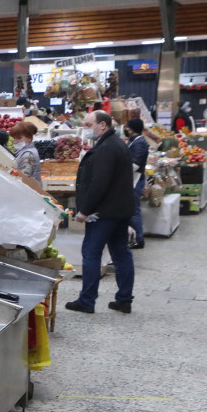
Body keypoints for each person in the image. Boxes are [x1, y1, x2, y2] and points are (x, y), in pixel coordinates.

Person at [65, 110, 136, 315]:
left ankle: (87, 300)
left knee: (91, 253)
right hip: (119, 210)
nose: (86, 130)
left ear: (102, 125)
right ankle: (124, 300)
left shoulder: (106, 147)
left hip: (104, 212)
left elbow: (99, 182)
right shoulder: (116, 144)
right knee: (121, 253)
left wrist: (85, 210)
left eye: (88, 125)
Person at [125, 118, 149, 249]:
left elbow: (135, 164)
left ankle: (138, 239)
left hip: (135, 179)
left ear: (132, 129)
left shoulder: (139, 143)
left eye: (128, 127)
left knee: (134, 210)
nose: (126, 129)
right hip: (133, 179)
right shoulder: (135, 141)